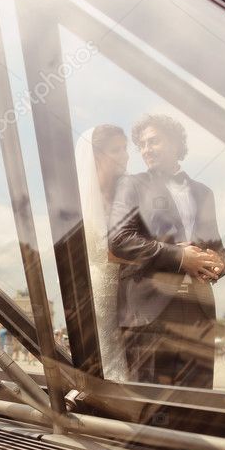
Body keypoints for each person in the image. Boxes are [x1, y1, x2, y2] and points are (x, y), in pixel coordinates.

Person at [109, 114, 225, 387]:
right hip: (150, 313)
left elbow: (218, 247)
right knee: (151, 409)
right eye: (142, 144)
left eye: (154, 141)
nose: (146, 149)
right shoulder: (132, 184)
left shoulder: (204, 192)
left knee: (197, 406)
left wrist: (219, 264)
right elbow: (119, 239)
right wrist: (179, 256)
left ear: (175, 143)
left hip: (198, 314)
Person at [75, 124, 131, 380]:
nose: (126, 155)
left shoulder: (129, 192)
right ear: (97, 156)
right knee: (109, 359)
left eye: (125, 148)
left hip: (132, 292)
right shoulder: (80, 202)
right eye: (116, 150)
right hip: (102, 292)